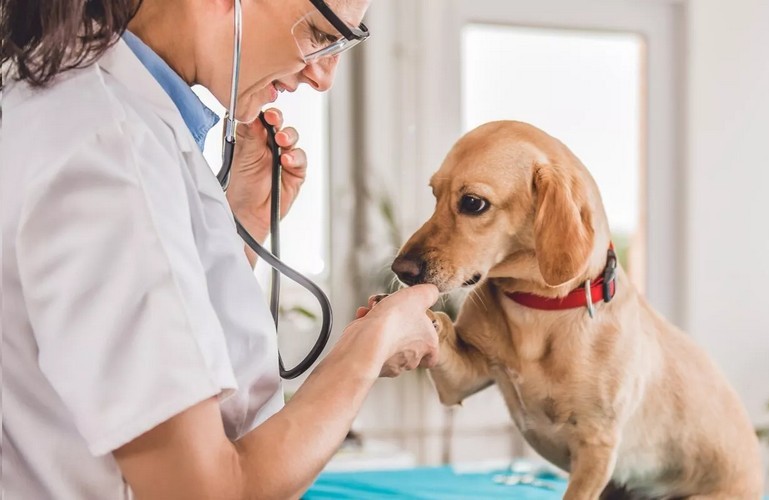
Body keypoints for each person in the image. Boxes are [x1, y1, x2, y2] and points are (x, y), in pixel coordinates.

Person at [0, 0, 440, 498]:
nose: (323, 77)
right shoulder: (106, 153)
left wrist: (240, 228)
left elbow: (141, 338)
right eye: (321, 34)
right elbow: (206, 490)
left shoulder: (96, 110)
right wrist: (368, 347)